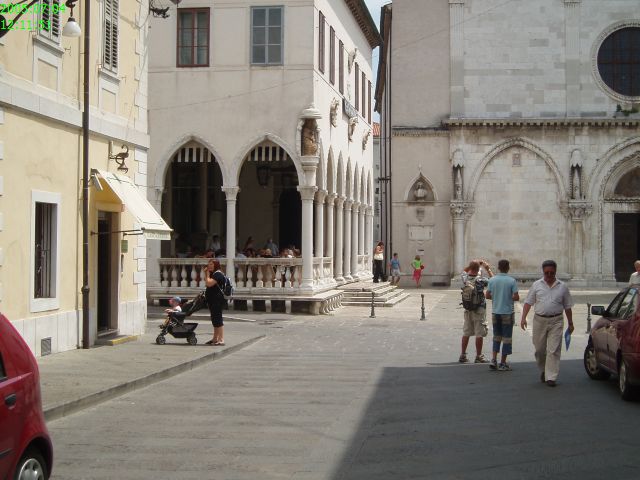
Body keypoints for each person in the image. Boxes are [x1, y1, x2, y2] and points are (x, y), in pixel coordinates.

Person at [520, 260, 574, 387]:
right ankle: (544, 370)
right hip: (539, 320)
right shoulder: (536, 285)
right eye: (547, 272)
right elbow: (528, 302)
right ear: (543, 272)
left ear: (555, 272)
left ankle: (551, 377)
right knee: (539, 350)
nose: (549, 275)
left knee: (553, 350)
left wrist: (571, 323)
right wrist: (523, 318)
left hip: (556, 321)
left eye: (552, 272)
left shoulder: (563, 287)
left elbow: (568, 306)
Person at [485, 260, 519, 371]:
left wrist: (496, 297)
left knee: (497, 336)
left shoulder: (492, 280)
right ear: (508, 268)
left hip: (496, 312)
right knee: (507, 338)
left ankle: (494, 359)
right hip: (507, 312)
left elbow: (487, 295)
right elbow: (516, 297)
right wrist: (508, 297)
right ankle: (503, 363)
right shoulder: (511, 281)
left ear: (498, 267)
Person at [459, 259, 493, 363]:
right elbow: (494, 280)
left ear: (470, 268)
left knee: (466, 332)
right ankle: (479, 356)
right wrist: (487, 268)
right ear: (478, 269)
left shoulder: (465, 278)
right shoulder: (481, 280)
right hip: (479, 309)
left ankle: (463, 355)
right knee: (479, 333)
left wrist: (472, 265)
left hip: (468, 309)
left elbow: (463, 271)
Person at [204, 259, 226, 346]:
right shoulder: (214, 274)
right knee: (214, 319)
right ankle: (215, 338)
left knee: (218, 318)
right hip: (212, 300)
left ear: (216, 265)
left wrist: (207, 274)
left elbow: (209, 283)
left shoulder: (218, 274)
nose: (209, 266)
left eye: (211, 264)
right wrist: (207, 274)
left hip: (217, 300)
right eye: (209, 264)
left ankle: (221, 339)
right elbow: (207, 283)